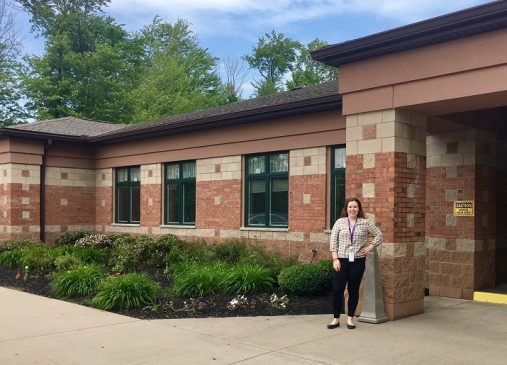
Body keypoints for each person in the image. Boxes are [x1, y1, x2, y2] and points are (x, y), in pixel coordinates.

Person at [327, 197, 383, 329]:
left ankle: (350, 318)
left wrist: (369, 247)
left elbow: (379, 235)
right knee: (337, 290)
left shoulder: (365, 223)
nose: (352, 209)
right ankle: (336, 318)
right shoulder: (340, 222)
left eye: (355, 207)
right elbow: (333, 242)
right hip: (341, 261)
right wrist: (335, 259)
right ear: (346, 209)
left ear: (359, 209)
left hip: (357, 261)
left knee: (353, 290)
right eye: (350, 207)